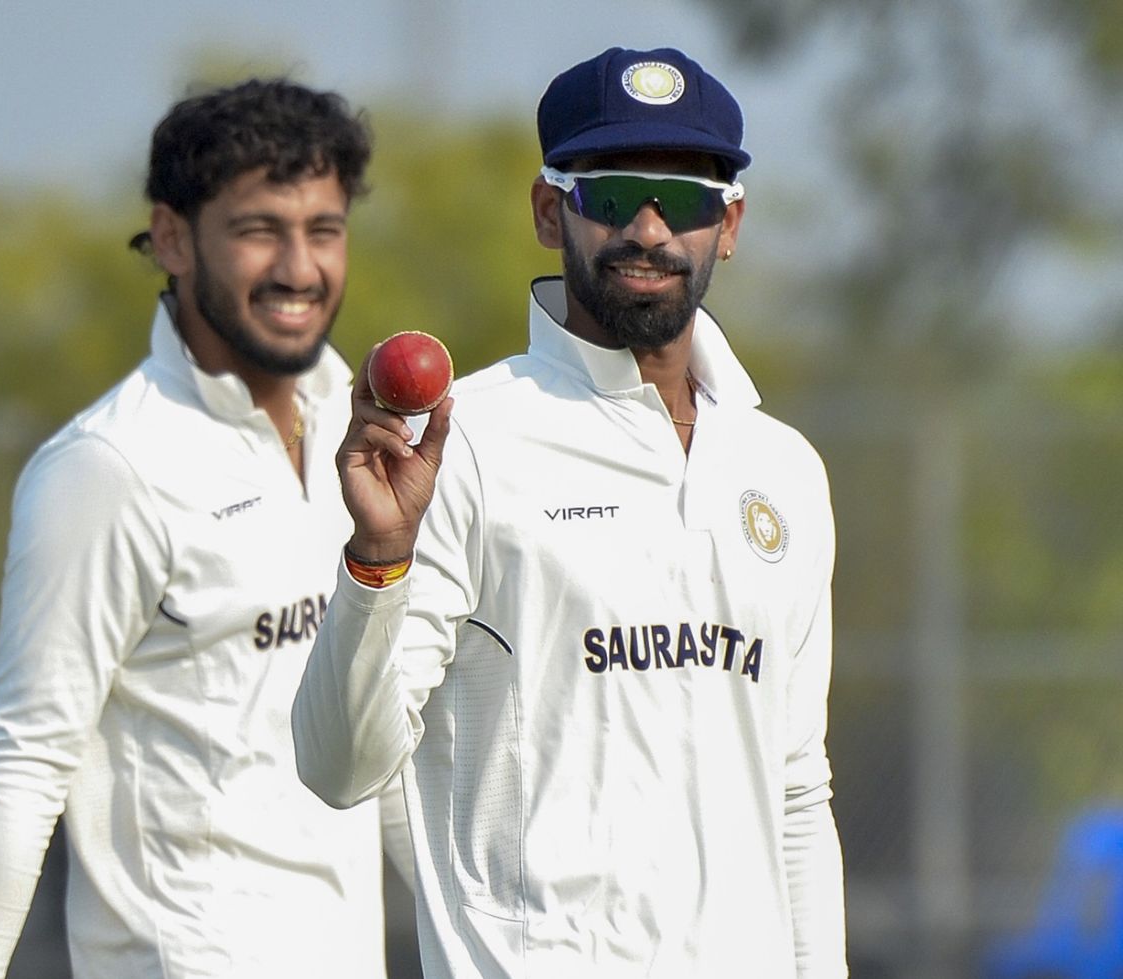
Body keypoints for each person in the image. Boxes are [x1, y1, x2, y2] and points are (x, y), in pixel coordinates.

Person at [292, 46, 848, 977]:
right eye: (612, 193)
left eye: (688, 199)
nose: (648, 228)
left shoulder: (782, 468)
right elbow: (338, 767)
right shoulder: (465, 442)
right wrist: (375, 560)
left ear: (731, 223)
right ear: (552, 211)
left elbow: (796, 791)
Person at [0, 77, 411, 979]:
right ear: (176, 238)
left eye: (324, 229)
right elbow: (20, 779)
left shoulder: (356, 429)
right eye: (260, 228)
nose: (300, 267)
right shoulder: (106, 468)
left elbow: (378, 757)